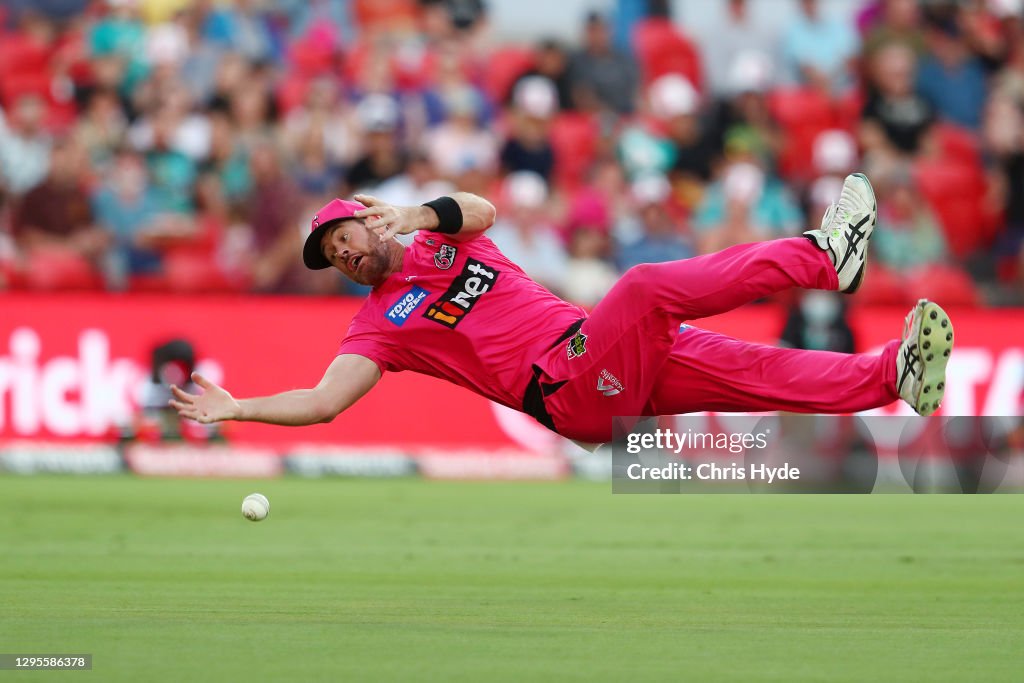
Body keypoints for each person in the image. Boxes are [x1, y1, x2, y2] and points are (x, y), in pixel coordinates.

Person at [169, 174, 955, 446]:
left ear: (364, 218)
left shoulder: (441, 238)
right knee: (645, 286)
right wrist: (238, 408)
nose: (339, 256)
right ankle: (824, 257)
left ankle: (893, 372)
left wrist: (412, 213)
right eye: (329, 257)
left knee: (750, 370)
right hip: (564, 387)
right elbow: (324, 401)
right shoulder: (379, 321)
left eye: (340, 237)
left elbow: (479, 210)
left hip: (598, 358)